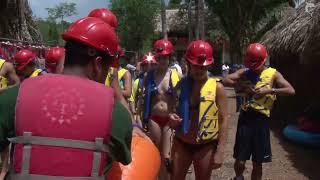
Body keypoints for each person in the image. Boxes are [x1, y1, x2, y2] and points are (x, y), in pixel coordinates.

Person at [0, 17, 133, 180]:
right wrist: (118, 94)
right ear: (98, 64)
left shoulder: (17, 95)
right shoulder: (115, 111)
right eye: (108, 69)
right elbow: (124, 157)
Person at [223, 43, 295, 180]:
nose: (253, 68)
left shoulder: (273, 73)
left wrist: (269, 90)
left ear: (263, 60)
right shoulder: (245, 72)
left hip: (261, 121)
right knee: (240, 159)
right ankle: (239, 177)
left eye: (255, 64)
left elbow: (291, 90)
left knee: (258, 162)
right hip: (245, 118)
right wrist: (243, 86)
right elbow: (226, 80)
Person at [167, 40, 229, 180]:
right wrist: (171, 116)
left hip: (205, 145)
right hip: (182, 142)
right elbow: (171, 108)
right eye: (195, 66)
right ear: (189, 64)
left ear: (209, 65)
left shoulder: (217, 88)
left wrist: (220, 151)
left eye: (203, 67)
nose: (199, 70)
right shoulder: (181, 85)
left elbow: (224, 119)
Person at [143, 39, 181, 180]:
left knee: (167, 156)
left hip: (169, 119)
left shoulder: (175, 75)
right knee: (156, 154)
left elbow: (182, 96)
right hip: (154, 118)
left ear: (170, 58)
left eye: (165, 57)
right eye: (160, 58)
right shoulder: (149, 75)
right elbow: (143, 99)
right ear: (156, 58)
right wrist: (142, 119)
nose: (163, 60)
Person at [129, 52, 158, 127]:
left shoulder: (159, 82)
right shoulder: (137, 82)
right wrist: (135, 115)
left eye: (152, 65)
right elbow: (132, 99)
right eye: (146, 65)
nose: (149, 67)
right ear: (143, 67)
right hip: (141, 116)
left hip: (155, 117)